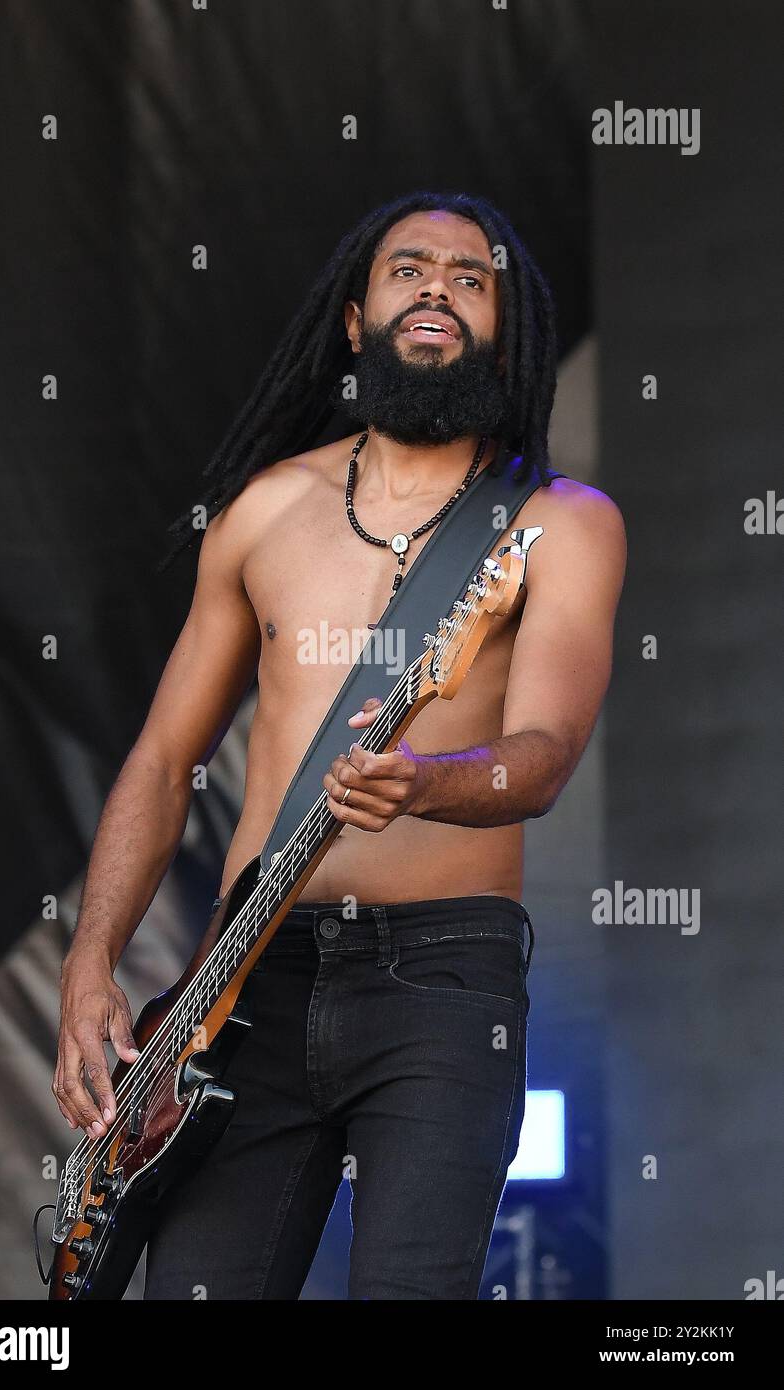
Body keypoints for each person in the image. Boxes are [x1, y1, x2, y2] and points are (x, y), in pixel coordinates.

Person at [53, 191, 626, 1299]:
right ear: (356, 319)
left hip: (441, 979)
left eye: (472, 279)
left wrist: (428, 779)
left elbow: (545, 752)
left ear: (502, 330)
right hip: (243, 987)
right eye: (408, 269)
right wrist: (88, 962)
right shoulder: (264, 511)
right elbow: (166, 758)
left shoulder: (559, 522)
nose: (439, 292)